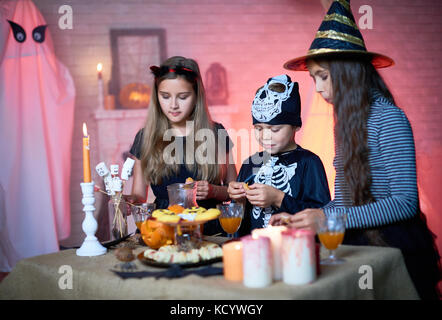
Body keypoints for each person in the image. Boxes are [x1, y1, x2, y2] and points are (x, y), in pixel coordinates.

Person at [271, 0, 441, 299]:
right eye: (314, 78)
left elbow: (405, 203)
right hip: (361, 243)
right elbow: (343, 203)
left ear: (348, 71)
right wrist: (306, 217)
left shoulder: (388, 117)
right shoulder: (345, 123)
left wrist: (328, 222)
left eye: (323, 75)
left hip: (395, 248)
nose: (319, 87)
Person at [129, 56, 237, 235]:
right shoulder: (145, 137)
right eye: (165, 96)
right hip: (163, 229)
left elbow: (235, 191)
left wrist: (214, 191)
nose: (173, 105)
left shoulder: (216, 132)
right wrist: (128, 200)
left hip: (209, 230)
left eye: (183, 97)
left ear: (196, 96)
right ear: (156, 97)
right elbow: (139, 195)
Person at [228, 74, 331, 235]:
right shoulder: (251, 163)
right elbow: (238, 225)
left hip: (294, 248)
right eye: (259, 128)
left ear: (295, 126)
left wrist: (279, 198)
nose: (265, 136)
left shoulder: (309, 162)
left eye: (275, 129)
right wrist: (239, 201)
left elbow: (323, 216)